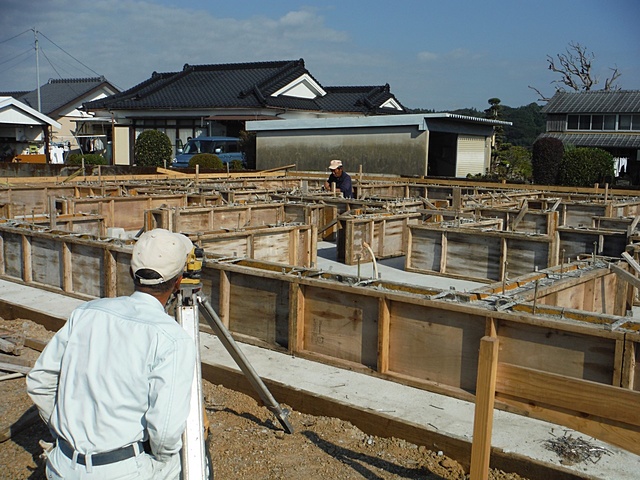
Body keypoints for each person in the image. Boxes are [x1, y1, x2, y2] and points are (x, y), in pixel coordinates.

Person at [27, 228, 197, 480]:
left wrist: (62, 429)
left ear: (131, 272)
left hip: (62, 465)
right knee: (190, 461)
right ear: (179, 281)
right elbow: (165, 431)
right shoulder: (173, 339)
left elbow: (40, 380)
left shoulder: (86, 313)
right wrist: (159, 457)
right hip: (121, 470)